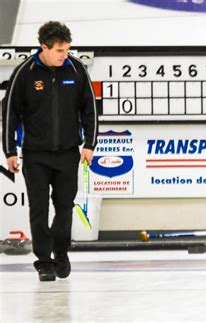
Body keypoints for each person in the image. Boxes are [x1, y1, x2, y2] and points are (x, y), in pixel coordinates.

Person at [2, 21, 98, 281]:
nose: (64, 54)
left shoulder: (76, 69)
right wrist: (10, 150)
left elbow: (90, 109)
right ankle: (44, 261)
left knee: (65, 207)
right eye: (59, 50)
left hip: (68, 153)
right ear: (43, 47)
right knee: (39, 209)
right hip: (35, 155)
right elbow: (10, 113)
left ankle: (61, 252)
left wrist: (89, 144)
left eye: (67, 49)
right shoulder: (25, 72)